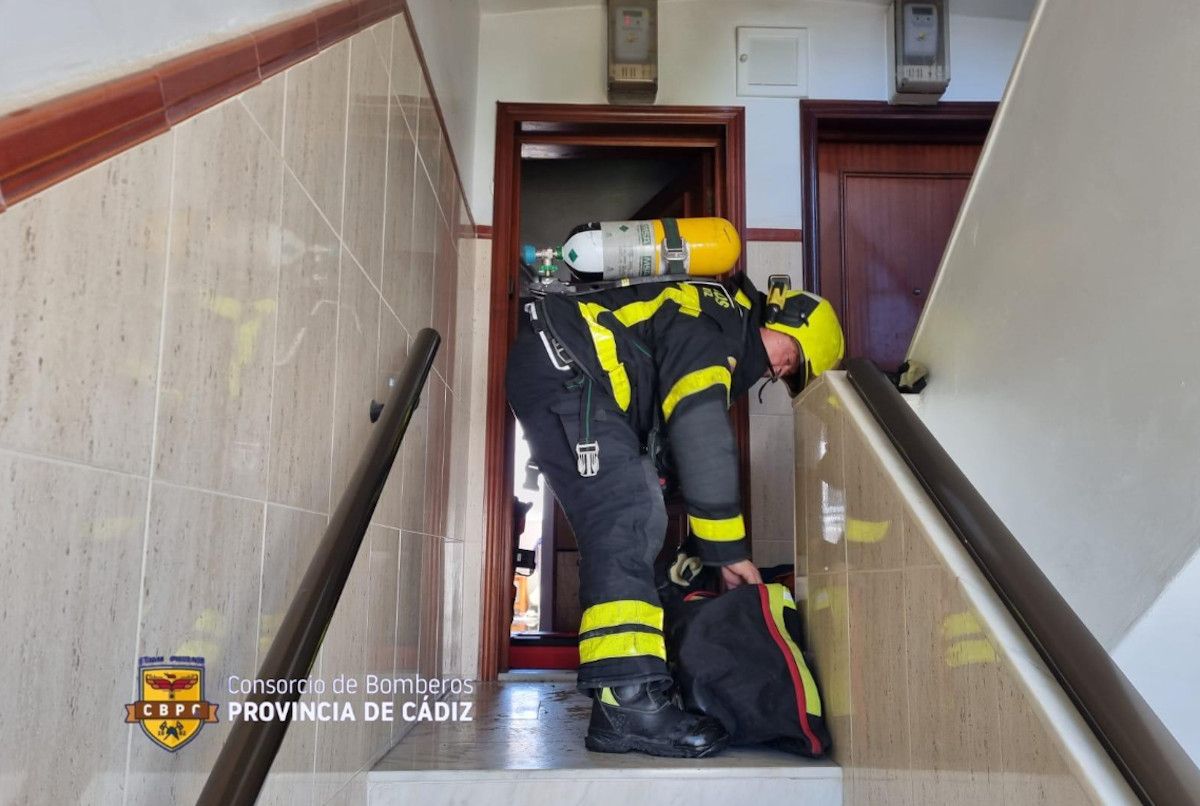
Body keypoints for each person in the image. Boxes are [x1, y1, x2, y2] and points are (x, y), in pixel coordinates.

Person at [505, 271, 844, 758]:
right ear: (781, 318)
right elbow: (700, 430)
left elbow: (675, 438)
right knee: (625, 516)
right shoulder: (716, 323)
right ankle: (625, 702)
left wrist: (699, 550)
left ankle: (634, 690)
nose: (775, 372)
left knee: (642, 513)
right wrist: (728, 551)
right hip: (568, 368)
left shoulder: (714, 321)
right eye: (789, 358)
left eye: (786, 374)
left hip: (580, 376)